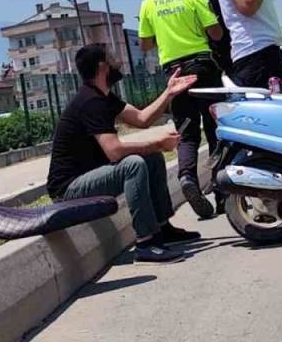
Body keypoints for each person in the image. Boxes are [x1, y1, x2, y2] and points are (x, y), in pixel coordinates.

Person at [46, 44, 201, 263]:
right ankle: (146, 242)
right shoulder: (91, 102)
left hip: (88, 177)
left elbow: (142, 119)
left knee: (152, 159)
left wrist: (169, 93)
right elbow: (114, 151)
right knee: (134, 164)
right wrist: (158, 142)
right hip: (68, 188)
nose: (118, 61)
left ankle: (162, 228)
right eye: (112, 58)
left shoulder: (104, 97)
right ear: (103, 67)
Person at [138, 0, 225, 220]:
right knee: (215, 128)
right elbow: (216, 33)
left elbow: (145, 44)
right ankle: (222, 191)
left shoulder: (148, 3)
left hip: (174, 74)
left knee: (186, 132)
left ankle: (187, 176)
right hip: (202, 67)